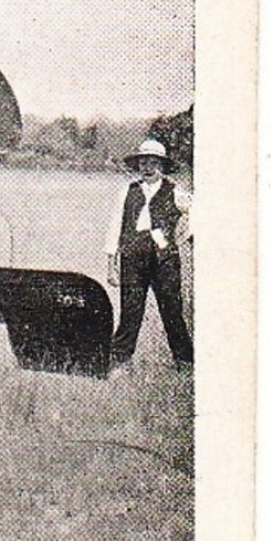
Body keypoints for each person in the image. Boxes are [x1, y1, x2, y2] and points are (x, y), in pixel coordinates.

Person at [104, 138, 193, 369]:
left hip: (165, 261)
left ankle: (185, 361)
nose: (147, 167)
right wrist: (111, 263)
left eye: (153, 162)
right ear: (138, 164)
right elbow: (115, 226)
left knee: (172, 312)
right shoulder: (128, 190)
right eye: (143, 162)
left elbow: (196, 215)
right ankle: (119, 362)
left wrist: (182, 237)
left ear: (161, 165)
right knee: (130, 312)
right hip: (132, 259)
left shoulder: (175, 191)